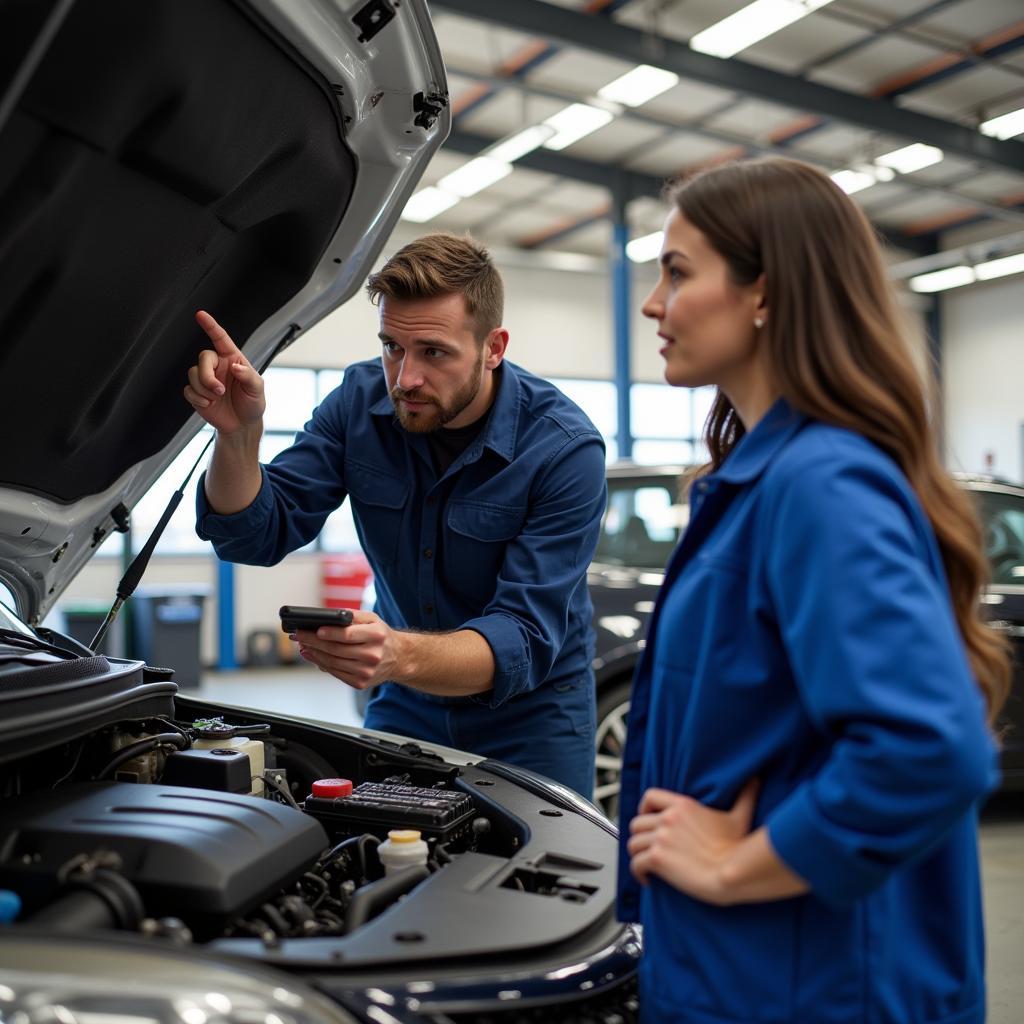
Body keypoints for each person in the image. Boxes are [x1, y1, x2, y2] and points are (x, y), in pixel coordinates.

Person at [617, 157, 1010, 1024]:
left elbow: (928, 748)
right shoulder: (763, 479)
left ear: (766, 292)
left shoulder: (819, 484)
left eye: (679, 272)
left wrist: (735, 862)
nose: (653, 304)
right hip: (749, 968)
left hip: (808, 982)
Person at [184, 233, 606, 798]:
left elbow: (522, 638)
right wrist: (238, 438)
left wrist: (398, 653)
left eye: (433, 352)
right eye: (392, 347)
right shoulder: (358, 401)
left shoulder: (563, 448)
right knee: (381, 858)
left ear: (493, 347)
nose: (405, 378)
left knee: (543, 877)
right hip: (406, 702)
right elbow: (255, 535)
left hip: (533, 716)